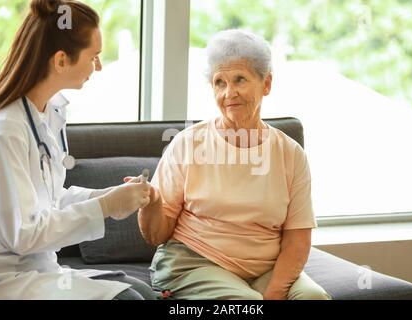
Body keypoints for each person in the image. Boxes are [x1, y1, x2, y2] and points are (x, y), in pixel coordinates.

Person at [138, 29, 332, 300]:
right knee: (247, 304)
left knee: (314, 298)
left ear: (266, 84)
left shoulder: (290, 154)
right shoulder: (188, 144)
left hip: (264, 269)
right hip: (195, 263)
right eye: (220, 82)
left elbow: (298, 239)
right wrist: (151, 204)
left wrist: (275, 292)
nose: (229, 93)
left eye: (240, 79)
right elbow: (156, 234)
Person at [0, 0, 155, 300]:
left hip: (42, 269)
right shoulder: (6, 130)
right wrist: (104, 208)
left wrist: (107, 197)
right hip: (6, 276)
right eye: (94, 56)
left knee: (146, 292)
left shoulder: (50, 112)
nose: (99, 66)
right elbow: (24, 234)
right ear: (61, 60)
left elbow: (50, 199)